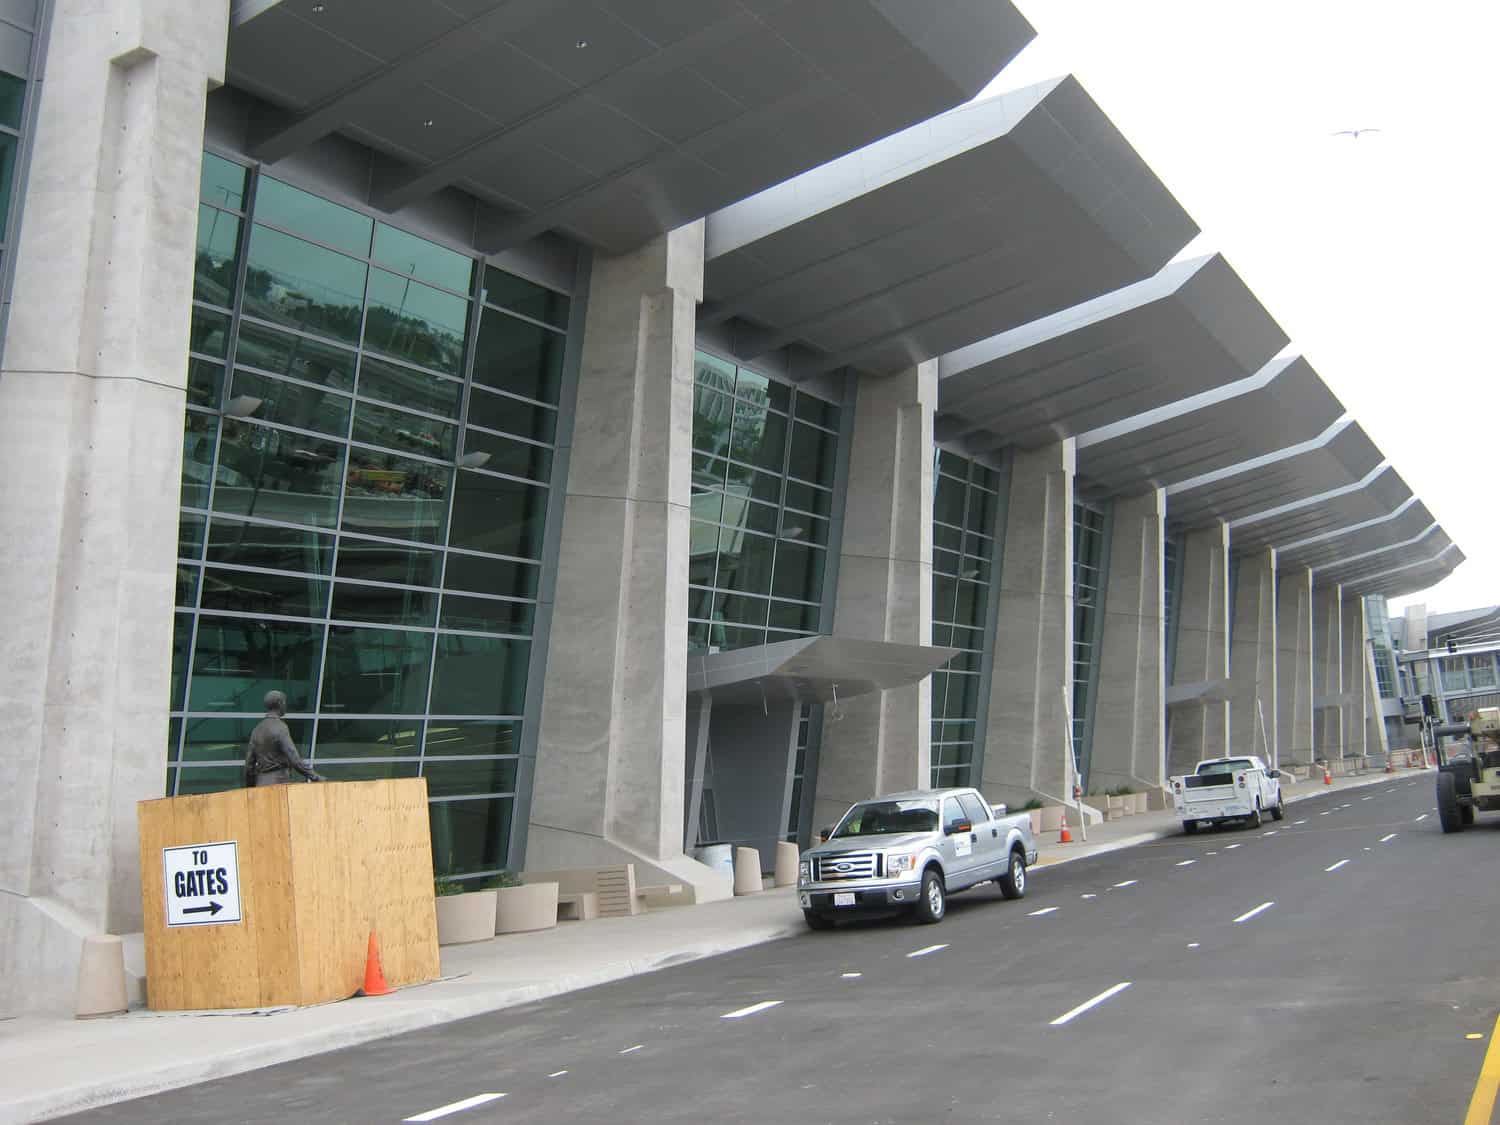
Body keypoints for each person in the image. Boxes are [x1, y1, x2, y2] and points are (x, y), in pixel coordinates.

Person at [243, 690, 325, 787]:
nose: (286, 706)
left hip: (260, 784)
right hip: (279, 784)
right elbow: (294, 758)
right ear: (280, 703)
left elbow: (249, 765)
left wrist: (250, 788)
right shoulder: (280, 727)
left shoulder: (256, 730)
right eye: (284, 702)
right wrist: (315, 777)